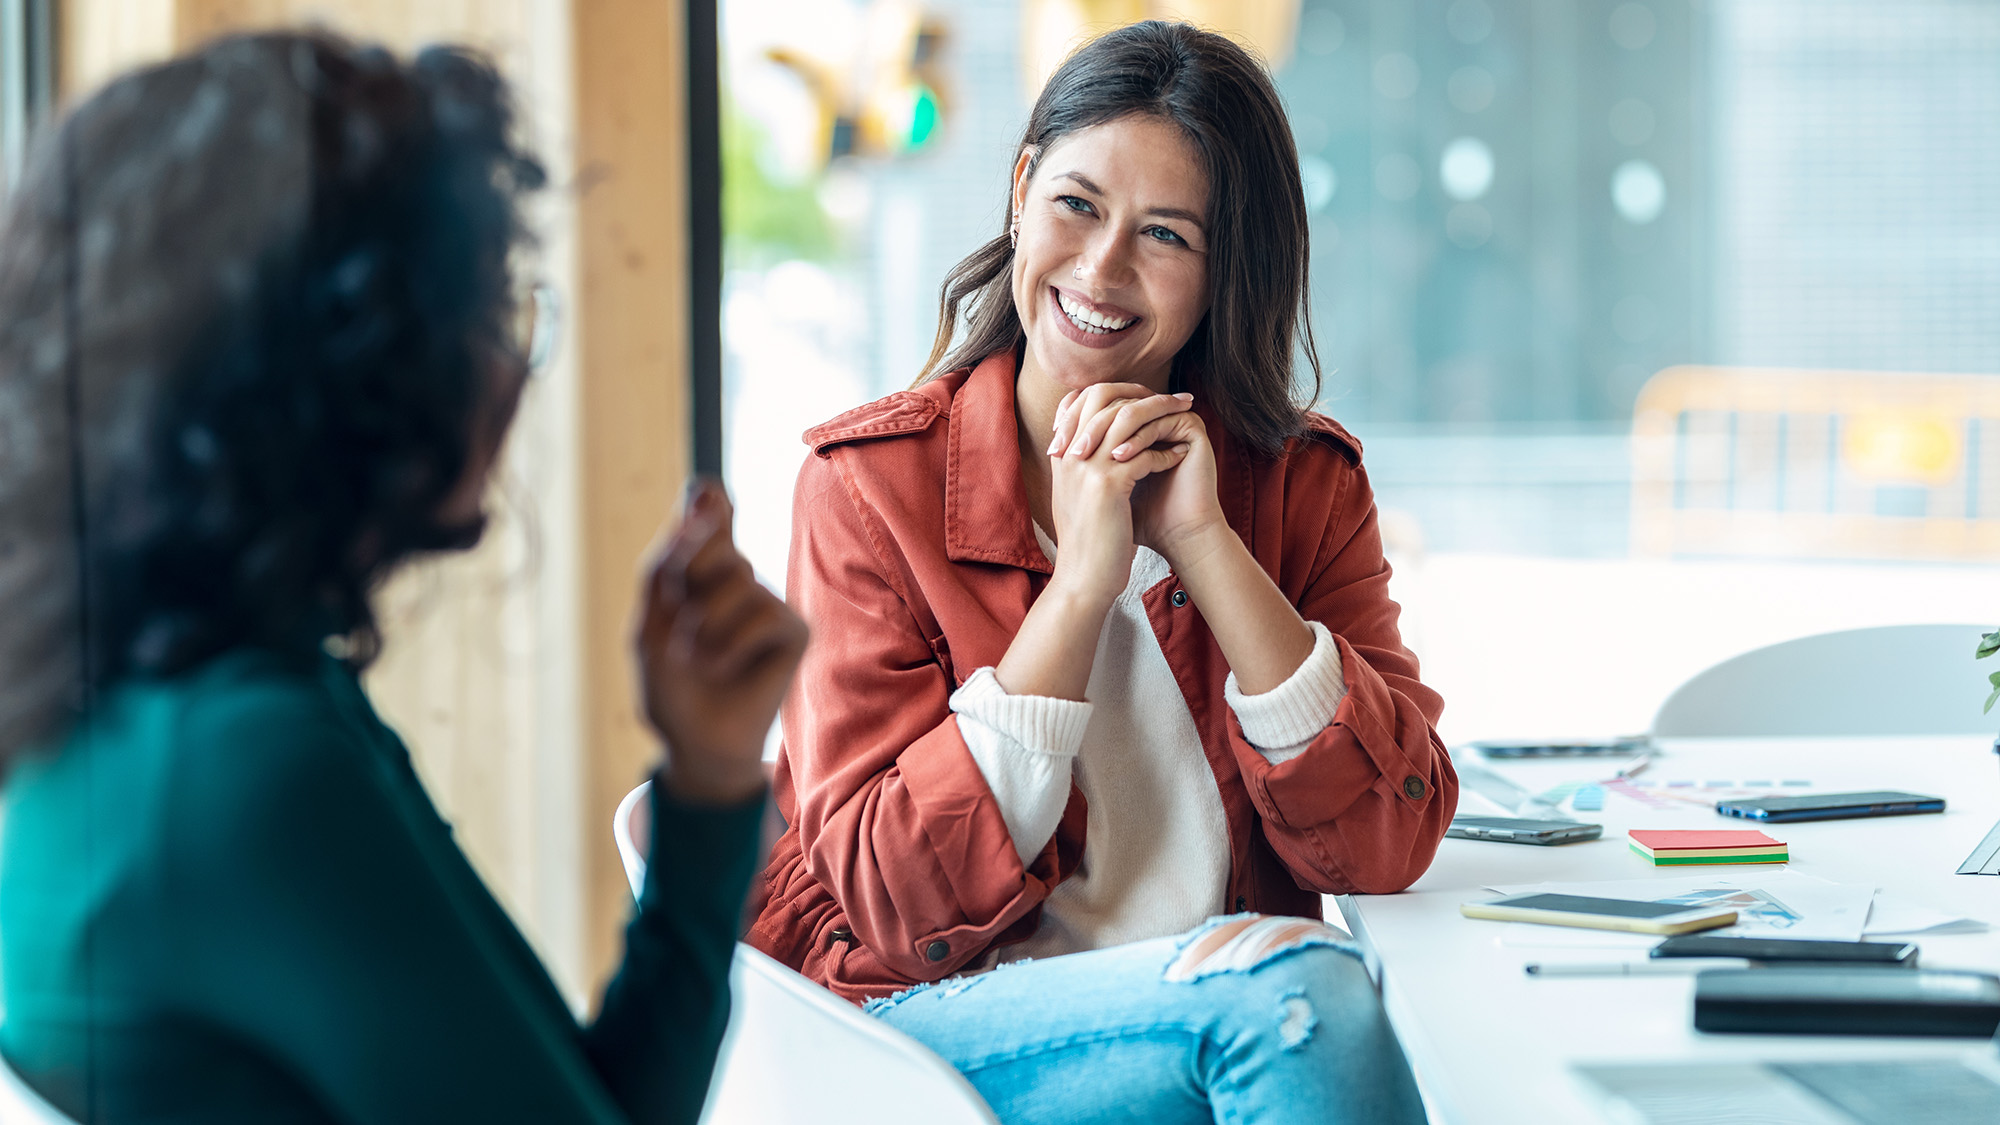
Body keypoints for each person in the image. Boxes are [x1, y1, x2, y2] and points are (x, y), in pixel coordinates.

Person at [0, 32, 805, 1123]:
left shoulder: (162, 709)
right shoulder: (244, 772)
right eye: (487, 307)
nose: (514, 363)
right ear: (357, 367)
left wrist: (708, 780)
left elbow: (582, 1104)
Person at [747, 20, 1454, 1124]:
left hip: (1209, 1016)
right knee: (1297, 1001)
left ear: (1228, 269)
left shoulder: (1299, 486)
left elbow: (1382, 842)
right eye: (1076, 205)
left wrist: (1207, 546)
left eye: (1165, 234)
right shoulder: (866, 486)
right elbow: (893, 902)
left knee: (1342, 1013)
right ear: (1022, 188)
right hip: (929, 1026)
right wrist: (1081, 586)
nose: (1100, 269)